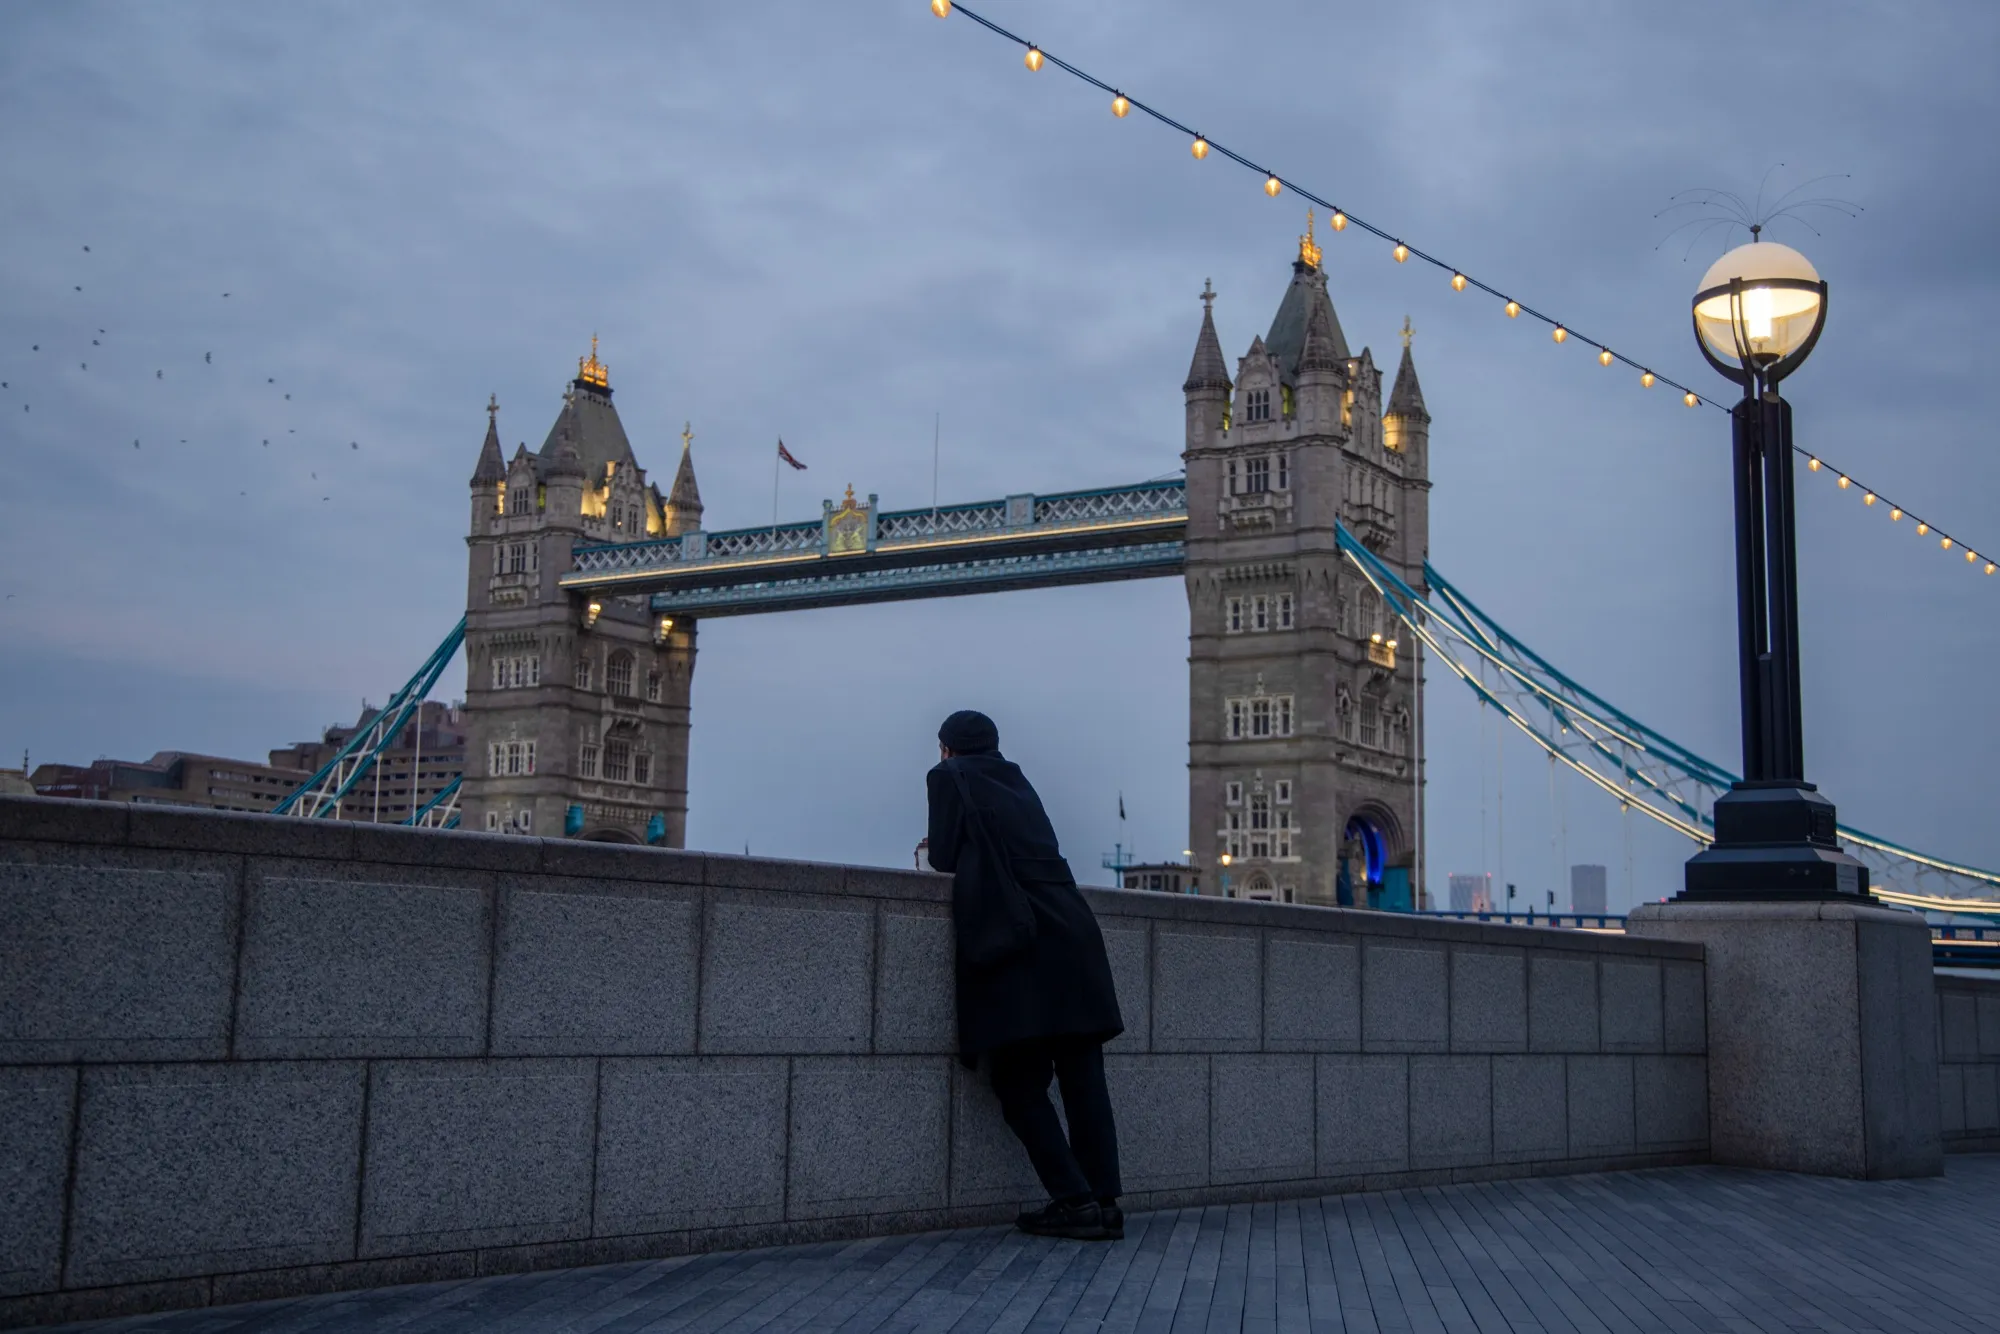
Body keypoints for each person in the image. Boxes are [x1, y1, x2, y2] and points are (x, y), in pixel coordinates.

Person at [926, 709, 1126, 1242]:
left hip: (1021, 939)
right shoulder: (1017, 777)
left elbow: (944, 854)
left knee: (1017, 1082)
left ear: (946, 748)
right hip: (1073, 930)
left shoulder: (948, 776)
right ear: (994, 744)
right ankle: (1106, 1204)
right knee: (1084, 1080)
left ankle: (1074, 1201)